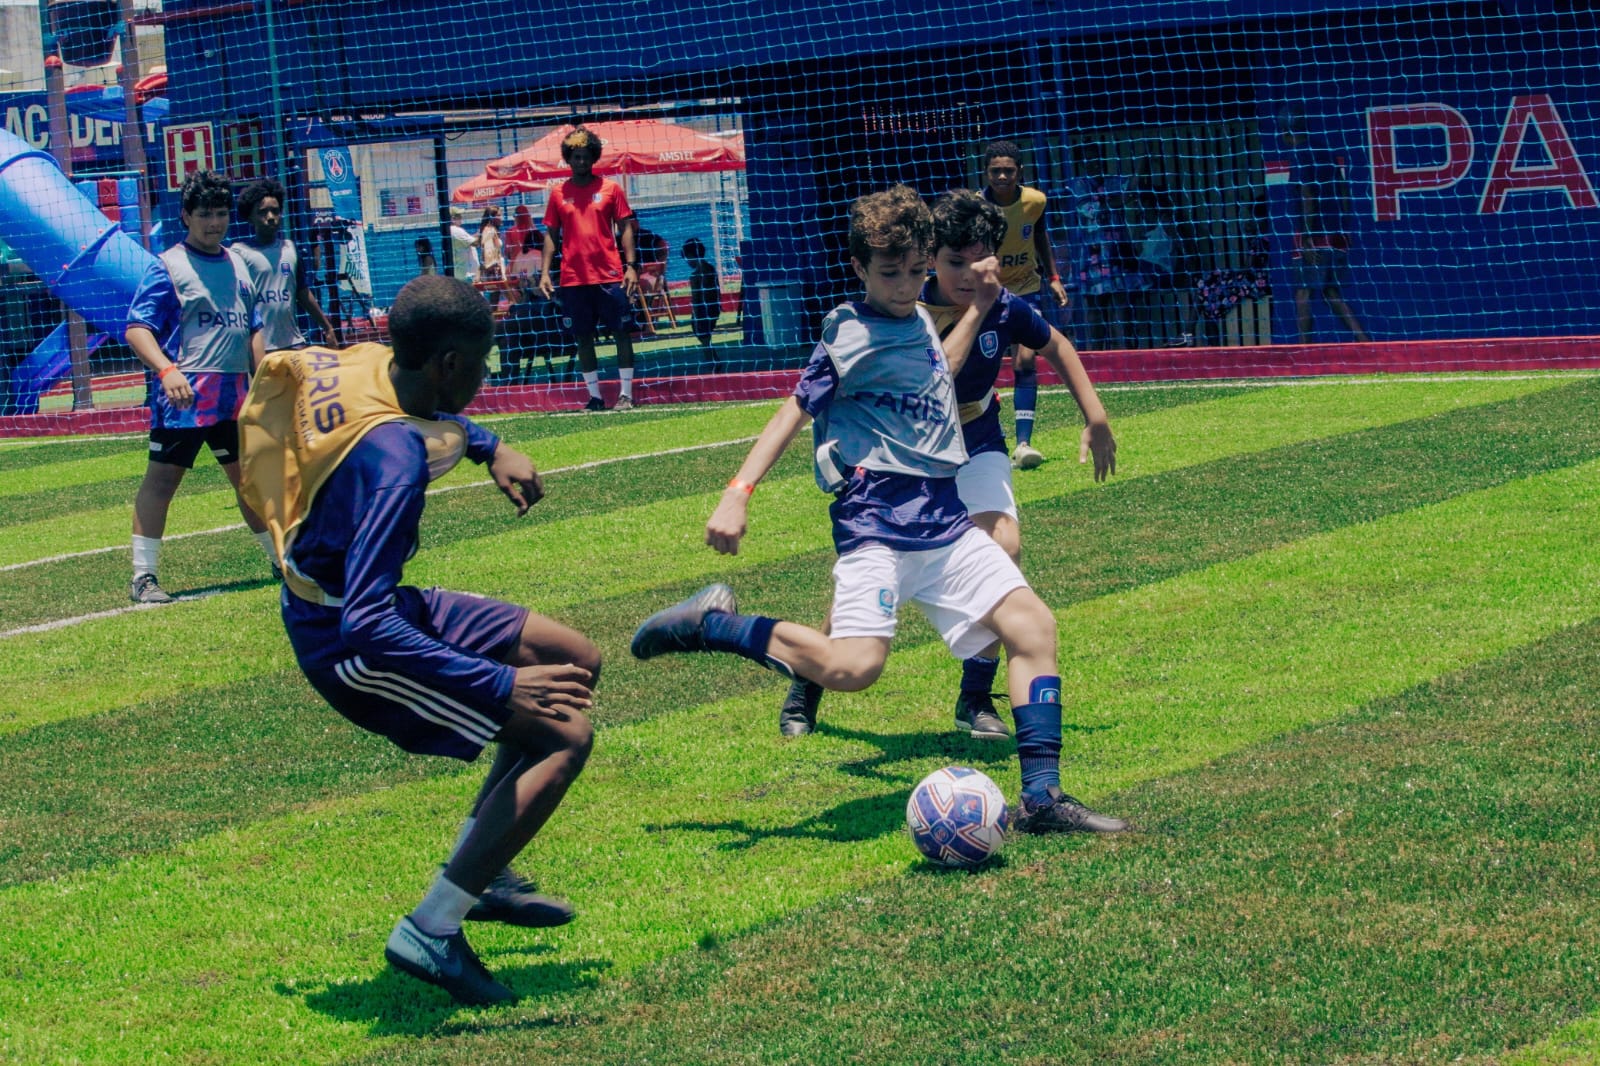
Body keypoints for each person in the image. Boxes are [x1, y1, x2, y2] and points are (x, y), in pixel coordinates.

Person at [631, 185, 1127, 836]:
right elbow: (794, 409)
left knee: (1034, 626)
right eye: (887, 273)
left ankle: (1041, 797)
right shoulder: (848, 333)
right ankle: (712, 624)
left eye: (913, 270)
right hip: (876, 527)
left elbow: (940, 371)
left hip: (943, 520)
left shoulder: (920, 322)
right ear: (860, 270)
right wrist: (738, 491)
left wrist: (981, 309)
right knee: (853, 669)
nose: (902, 285)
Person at [237, 274, 597, 1006]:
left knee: (574, 659)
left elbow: (424, 413)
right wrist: (501, 684)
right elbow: (366, 623)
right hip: (349, 641)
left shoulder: (372, 360)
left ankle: (484, 866)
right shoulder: (395, 467)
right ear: (450, 365)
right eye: (484, 363)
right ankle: (431, 930)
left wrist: (488, 444)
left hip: (359, 601)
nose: (488, 375)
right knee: (564, 733)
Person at [777, 189, 1115, 742]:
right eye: (952, 261)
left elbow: (1057, 345)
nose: (965, 272)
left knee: (1002, 547)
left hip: (975, 440)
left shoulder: (1001, 303)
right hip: (905, 461)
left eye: (977, 260)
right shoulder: (906, 311)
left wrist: (1096, 418)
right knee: (872, 589)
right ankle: (807, 681)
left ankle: (975, 698)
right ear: (930, 258)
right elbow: (932, 376)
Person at [124, 169, 272, 604]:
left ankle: (282, 560)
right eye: (205, 214)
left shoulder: (239, 262)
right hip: (184, 400)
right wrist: (167, 371)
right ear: (186, 216)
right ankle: (143, 578)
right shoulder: (167, 266)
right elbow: (137, 329)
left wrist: (263, 381)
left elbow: (252, 327)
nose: (215, 222)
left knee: (250, 481)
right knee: (162, 482)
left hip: (234, 399)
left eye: (222, 213)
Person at [980, 140, 1069, 471]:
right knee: (982, 366)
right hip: (987, 291)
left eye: (1008, 170)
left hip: (1025, 287)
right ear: (986, 172)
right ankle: (988, 439)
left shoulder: (1035, 202)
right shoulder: (977, 207)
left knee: (1025, 360)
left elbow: (1040, 237)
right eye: (995, 171)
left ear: (1020, 172)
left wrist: (1054, 277)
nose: (1002, 176)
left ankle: (1024, 443)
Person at [538, 127, 641, 412]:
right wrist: (545, 272)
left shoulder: (611, 189)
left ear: (593, 157)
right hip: (573, 280)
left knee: (622, 333)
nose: (581, 162)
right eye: (576, 157)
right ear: (568, 159)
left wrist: (631, 266)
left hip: (609, 275)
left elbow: (625, 228)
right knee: (582, 338)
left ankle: (626, 395)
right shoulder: (558, 194)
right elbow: (550, 236)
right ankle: (595, 397)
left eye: (585, 157)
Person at [1278, 107, 1371, 344]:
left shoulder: (1300, 155)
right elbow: (1343, 189)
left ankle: (1304, 349)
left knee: (1303, 291)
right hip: (1337, 233)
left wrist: (1308, 236)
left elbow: (1308, 194)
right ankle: (1364, 341)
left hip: (1314, 234)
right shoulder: (1325, 152)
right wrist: (1344, 224)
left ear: (1286, 133)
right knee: (1331, 292)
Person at [233, 177, 342, 352]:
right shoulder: (239, 253)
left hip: (293, 342)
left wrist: (326, 326)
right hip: (260, 347)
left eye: (275, 211)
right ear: (250, 217)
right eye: (263, 212)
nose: (270, 217)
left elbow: (303, 292)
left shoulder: (289, 249)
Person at [683, 236, 721, 354]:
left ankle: (713, 361)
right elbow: (715, 290)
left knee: (703, 336)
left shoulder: (696, 275)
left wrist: (697, 313)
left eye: (687, 258)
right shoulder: (711, 268)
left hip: (703, 310)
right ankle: (712, 359)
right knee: (705, 336)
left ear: (690, 256)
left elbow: (698, 296)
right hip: (713, 308)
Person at [448, 207, 479, 283]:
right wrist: (482, 232)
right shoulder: (456, 230)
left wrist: (477, 234)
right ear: (453, 219)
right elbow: (475, 243)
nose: (461, 218)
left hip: (459, 274)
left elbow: (468, 239)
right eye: (459, 216)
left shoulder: (450, 231)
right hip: (465, 275)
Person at [475, 207, 504, 282]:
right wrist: (496, 266)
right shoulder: (489, 231)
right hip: (493, 270)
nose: (501, 218)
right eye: (498, 215)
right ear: (492, 217)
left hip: (493, 268)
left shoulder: (492, 230)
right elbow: (488, 252)